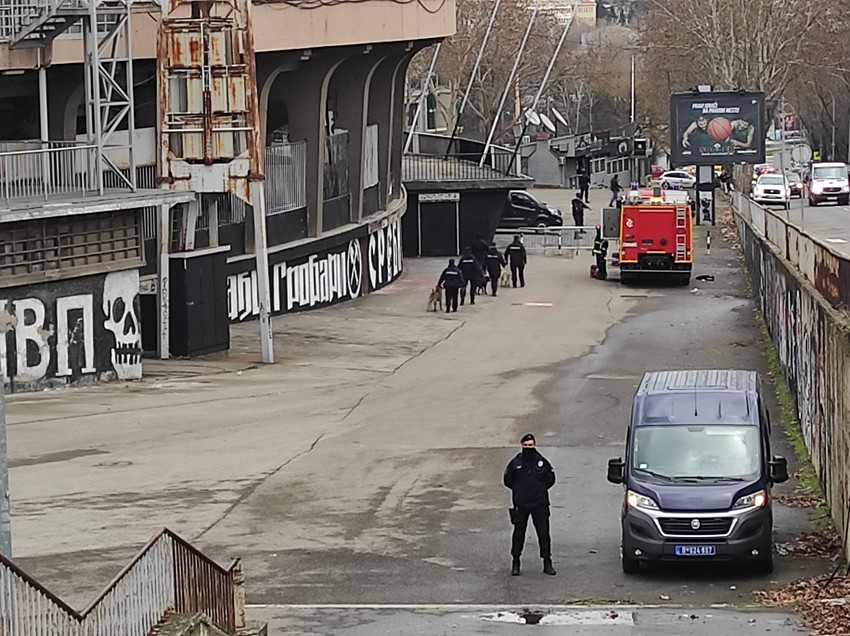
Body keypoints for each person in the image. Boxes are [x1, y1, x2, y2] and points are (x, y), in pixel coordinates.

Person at [503, 433, 556, 576]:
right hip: (521, 505)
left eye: (530, 445)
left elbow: (550, 479)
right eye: (526, 446)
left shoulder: (542, 462)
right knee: (518, 535)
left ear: (535, 445)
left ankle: (547, 563)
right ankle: (515, 562)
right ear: (521, 446)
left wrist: (538, 491)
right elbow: (508, 480)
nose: (528, 448)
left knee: (543, 535)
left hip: (539, 504)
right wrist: (520, 492)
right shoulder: (515, 463)